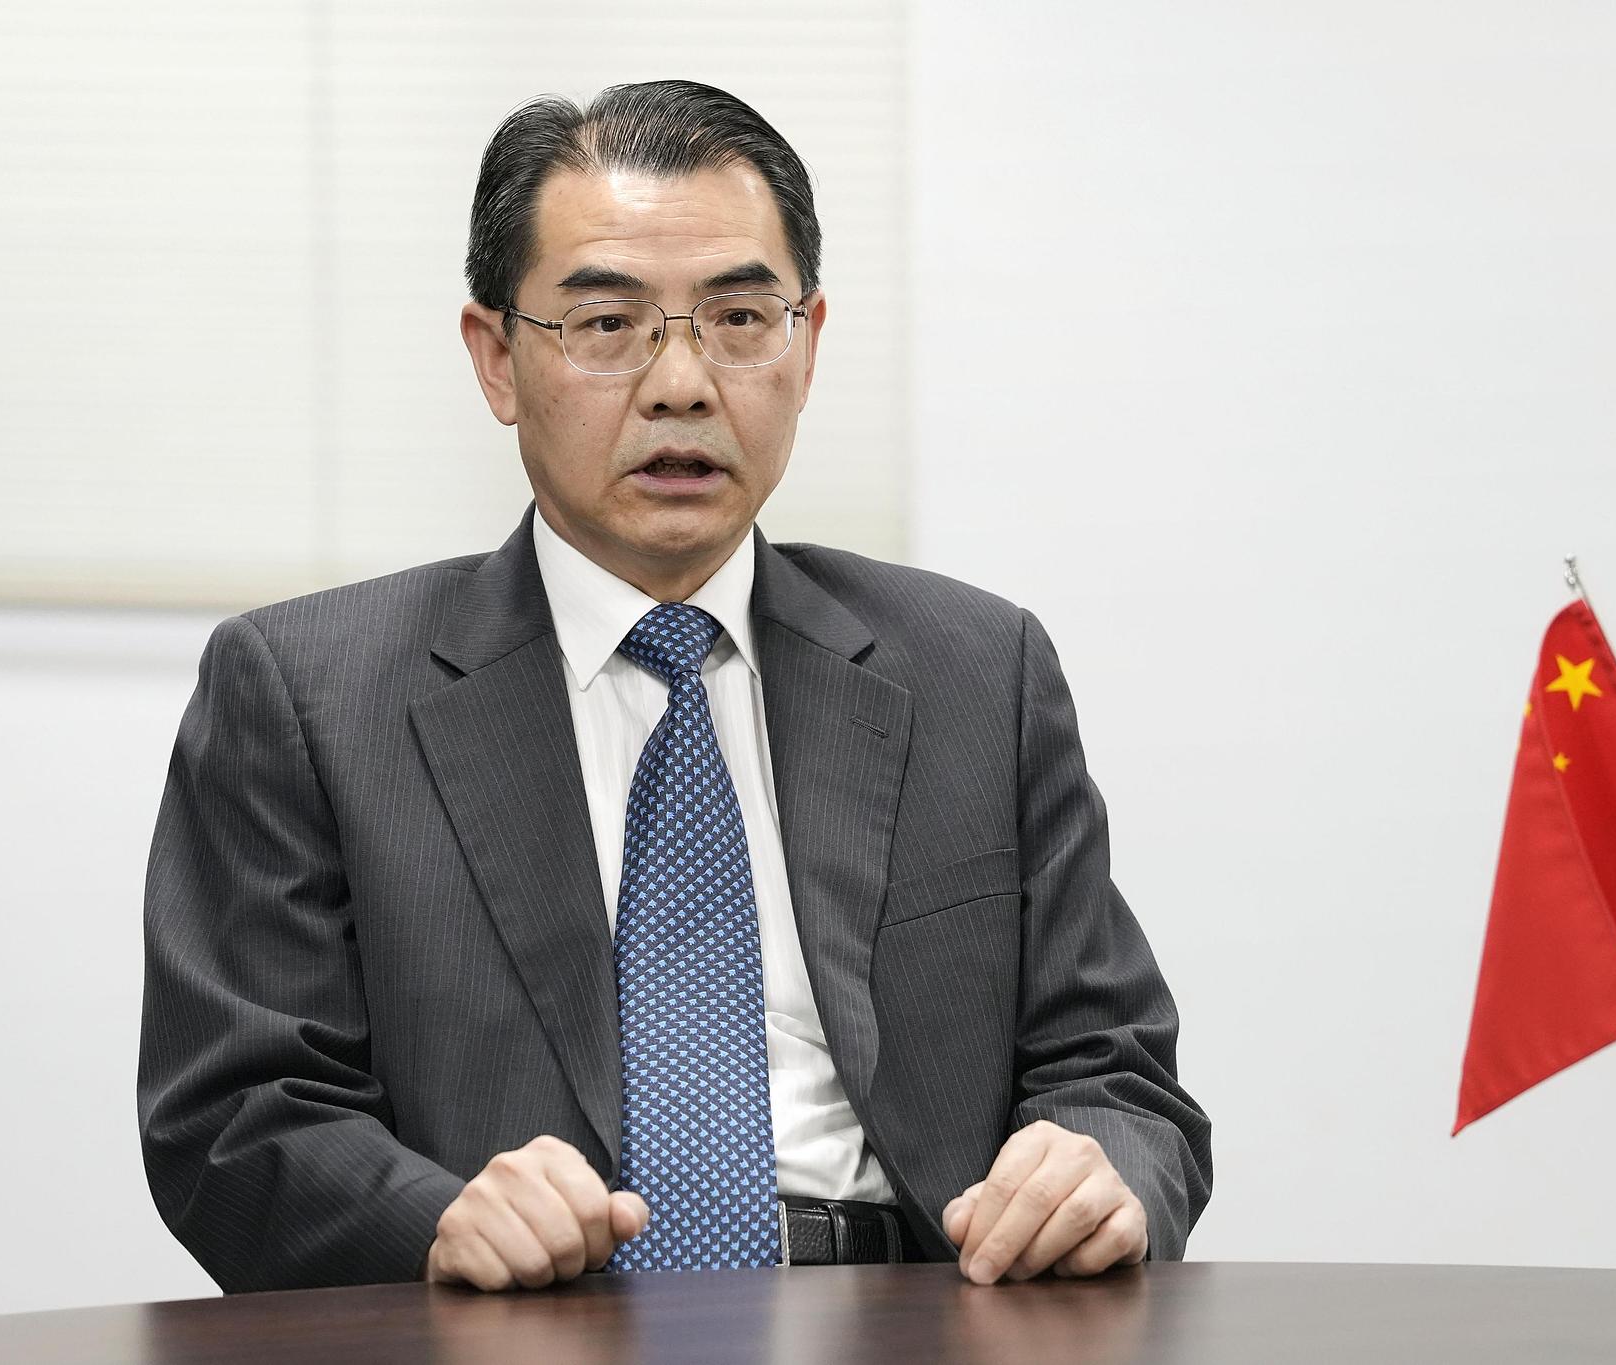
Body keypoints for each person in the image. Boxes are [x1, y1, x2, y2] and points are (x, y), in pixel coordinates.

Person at [138, 79, 1210, 1294]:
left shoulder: (974, 671)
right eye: (607, 325)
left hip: (918, 1310)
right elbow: (231, 1119)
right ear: (496, 360)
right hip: (520, 1327)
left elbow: (1117, 1077)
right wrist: (432, 1223)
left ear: (806, 347)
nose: (682, 384)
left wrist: (1096, 1166)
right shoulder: (308, 697)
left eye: (740, 318)